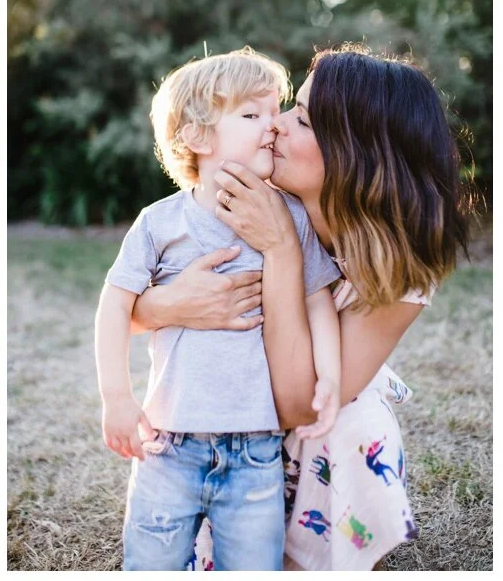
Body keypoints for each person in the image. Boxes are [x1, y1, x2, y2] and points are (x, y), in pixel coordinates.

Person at [131, 47, 470, 570]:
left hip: (304, 401)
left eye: (303, 119)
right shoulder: (251, 191)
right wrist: (164, 304)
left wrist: (284, 250)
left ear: (356, 152)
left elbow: (297, 405)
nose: (277, 125)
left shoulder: (404, 269)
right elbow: (128, 306)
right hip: (226, 407)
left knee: (355, 423)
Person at [94, 49, 343, 571]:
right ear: (198, 138)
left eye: (275, 112)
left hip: (256, 450)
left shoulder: (289, 216)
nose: (273, 126)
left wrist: (332, 376)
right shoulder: (160, 224)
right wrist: (117, 397)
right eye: (252, 115)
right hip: (169, 444)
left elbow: (318, 298)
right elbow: (115, 304)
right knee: (150, 564)